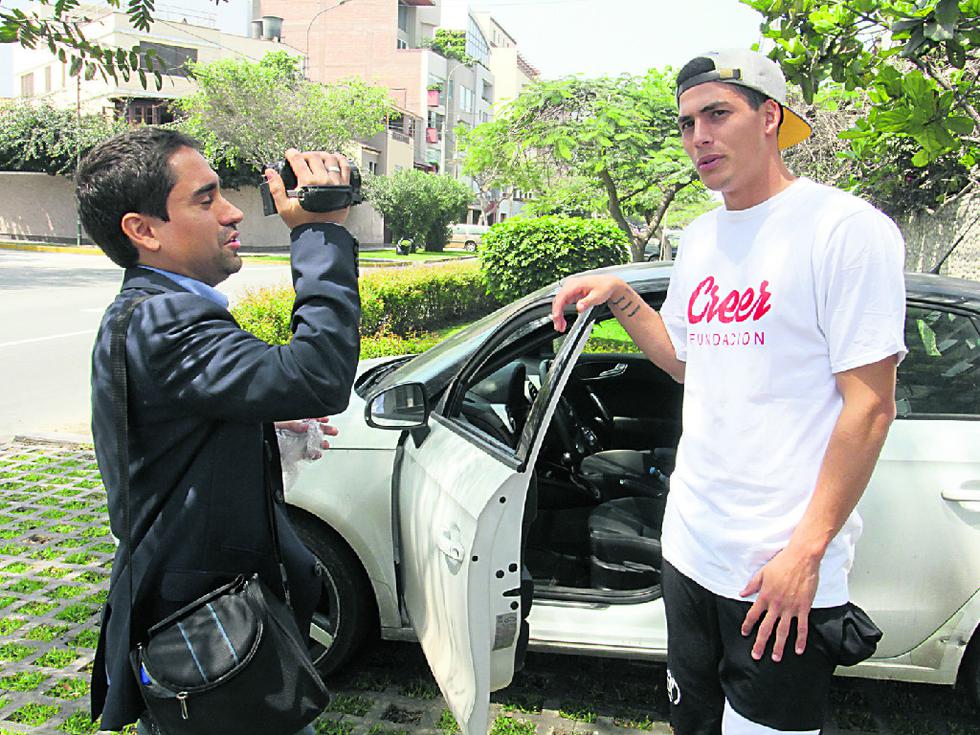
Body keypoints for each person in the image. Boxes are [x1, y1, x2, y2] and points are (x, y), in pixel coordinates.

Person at [551, 49, 906, 735]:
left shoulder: (843, 229)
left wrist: (804, 553)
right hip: (691, 546)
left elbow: (871, 405)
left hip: (777, 569)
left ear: (769, 117)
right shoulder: (703, 235)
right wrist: (624, 297)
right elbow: (687, 360)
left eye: (717, 114)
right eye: (686, 124)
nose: (698, 138)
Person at [76, 127, 361, 733]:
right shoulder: (167, 317)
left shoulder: (151, 310)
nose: (233, 212)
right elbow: (318, 376)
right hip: (209, 637)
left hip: (216, 624)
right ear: (143, 229)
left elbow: (170, 425)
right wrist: (322, 232)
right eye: (205, 200)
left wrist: (251, 422)